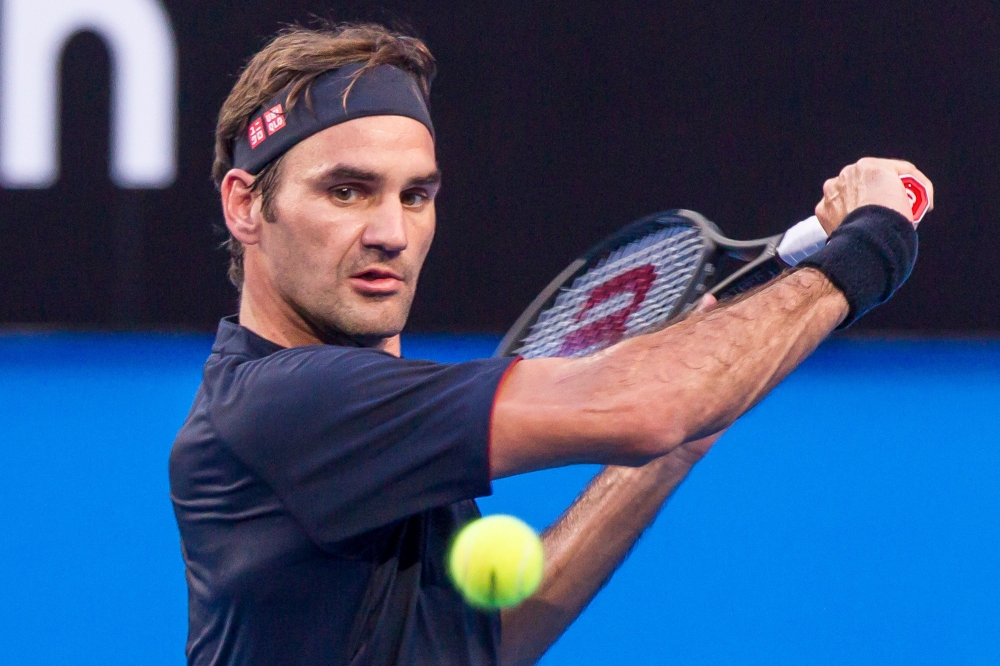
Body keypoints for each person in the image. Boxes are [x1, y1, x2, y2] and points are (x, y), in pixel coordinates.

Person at [169, 21, 933, 666]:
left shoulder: (341, 418)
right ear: (246, 204)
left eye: (416, 195)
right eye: (347, 191)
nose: (392, 234)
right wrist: (867, 251)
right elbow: (650, 404)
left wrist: (676, 449)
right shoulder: (291, 402)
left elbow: (479, 644)